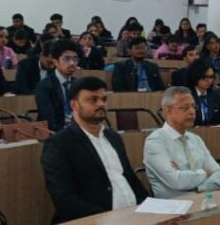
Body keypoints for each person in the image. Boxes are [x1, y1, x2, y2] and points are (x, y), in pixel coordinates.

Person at [40, 76, 148, 223]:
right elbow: (64, 199)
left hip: (134, 217)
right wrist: (108, 218)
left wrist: (152, 208)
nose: (100, 104)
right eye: (93, 100)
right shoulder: (59, 143)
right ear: (74, 105)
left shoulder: (113, 137)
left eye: (104, 99)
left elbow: (131, 180)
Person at [143, 87, 220, 198]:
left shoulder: (196, 139)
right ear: (167, 111)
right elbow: (177, 181)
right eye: (185, 108)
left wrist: (199, 189)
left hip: (204, 200)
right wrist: (205, 173)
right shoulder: (155, 142)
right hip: (174, 206)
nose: (192, 112)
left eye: (194, 107)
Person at [34, 40, 82, 131]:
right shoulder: (44, 86)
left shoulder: (79, 85)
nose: (72, 63)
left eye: (75, 59)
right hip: (55, 134)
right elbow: (49, 121)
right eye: (67, 59)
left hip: (77, 131)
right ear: (55, 61)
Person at [185, 60, 220, 126]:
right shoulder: (186, 95)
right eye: (204, 77)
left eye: (211, 77)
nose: (209, 80)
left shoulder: (215, 94)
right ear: (195, 76)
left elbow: (219, 120)